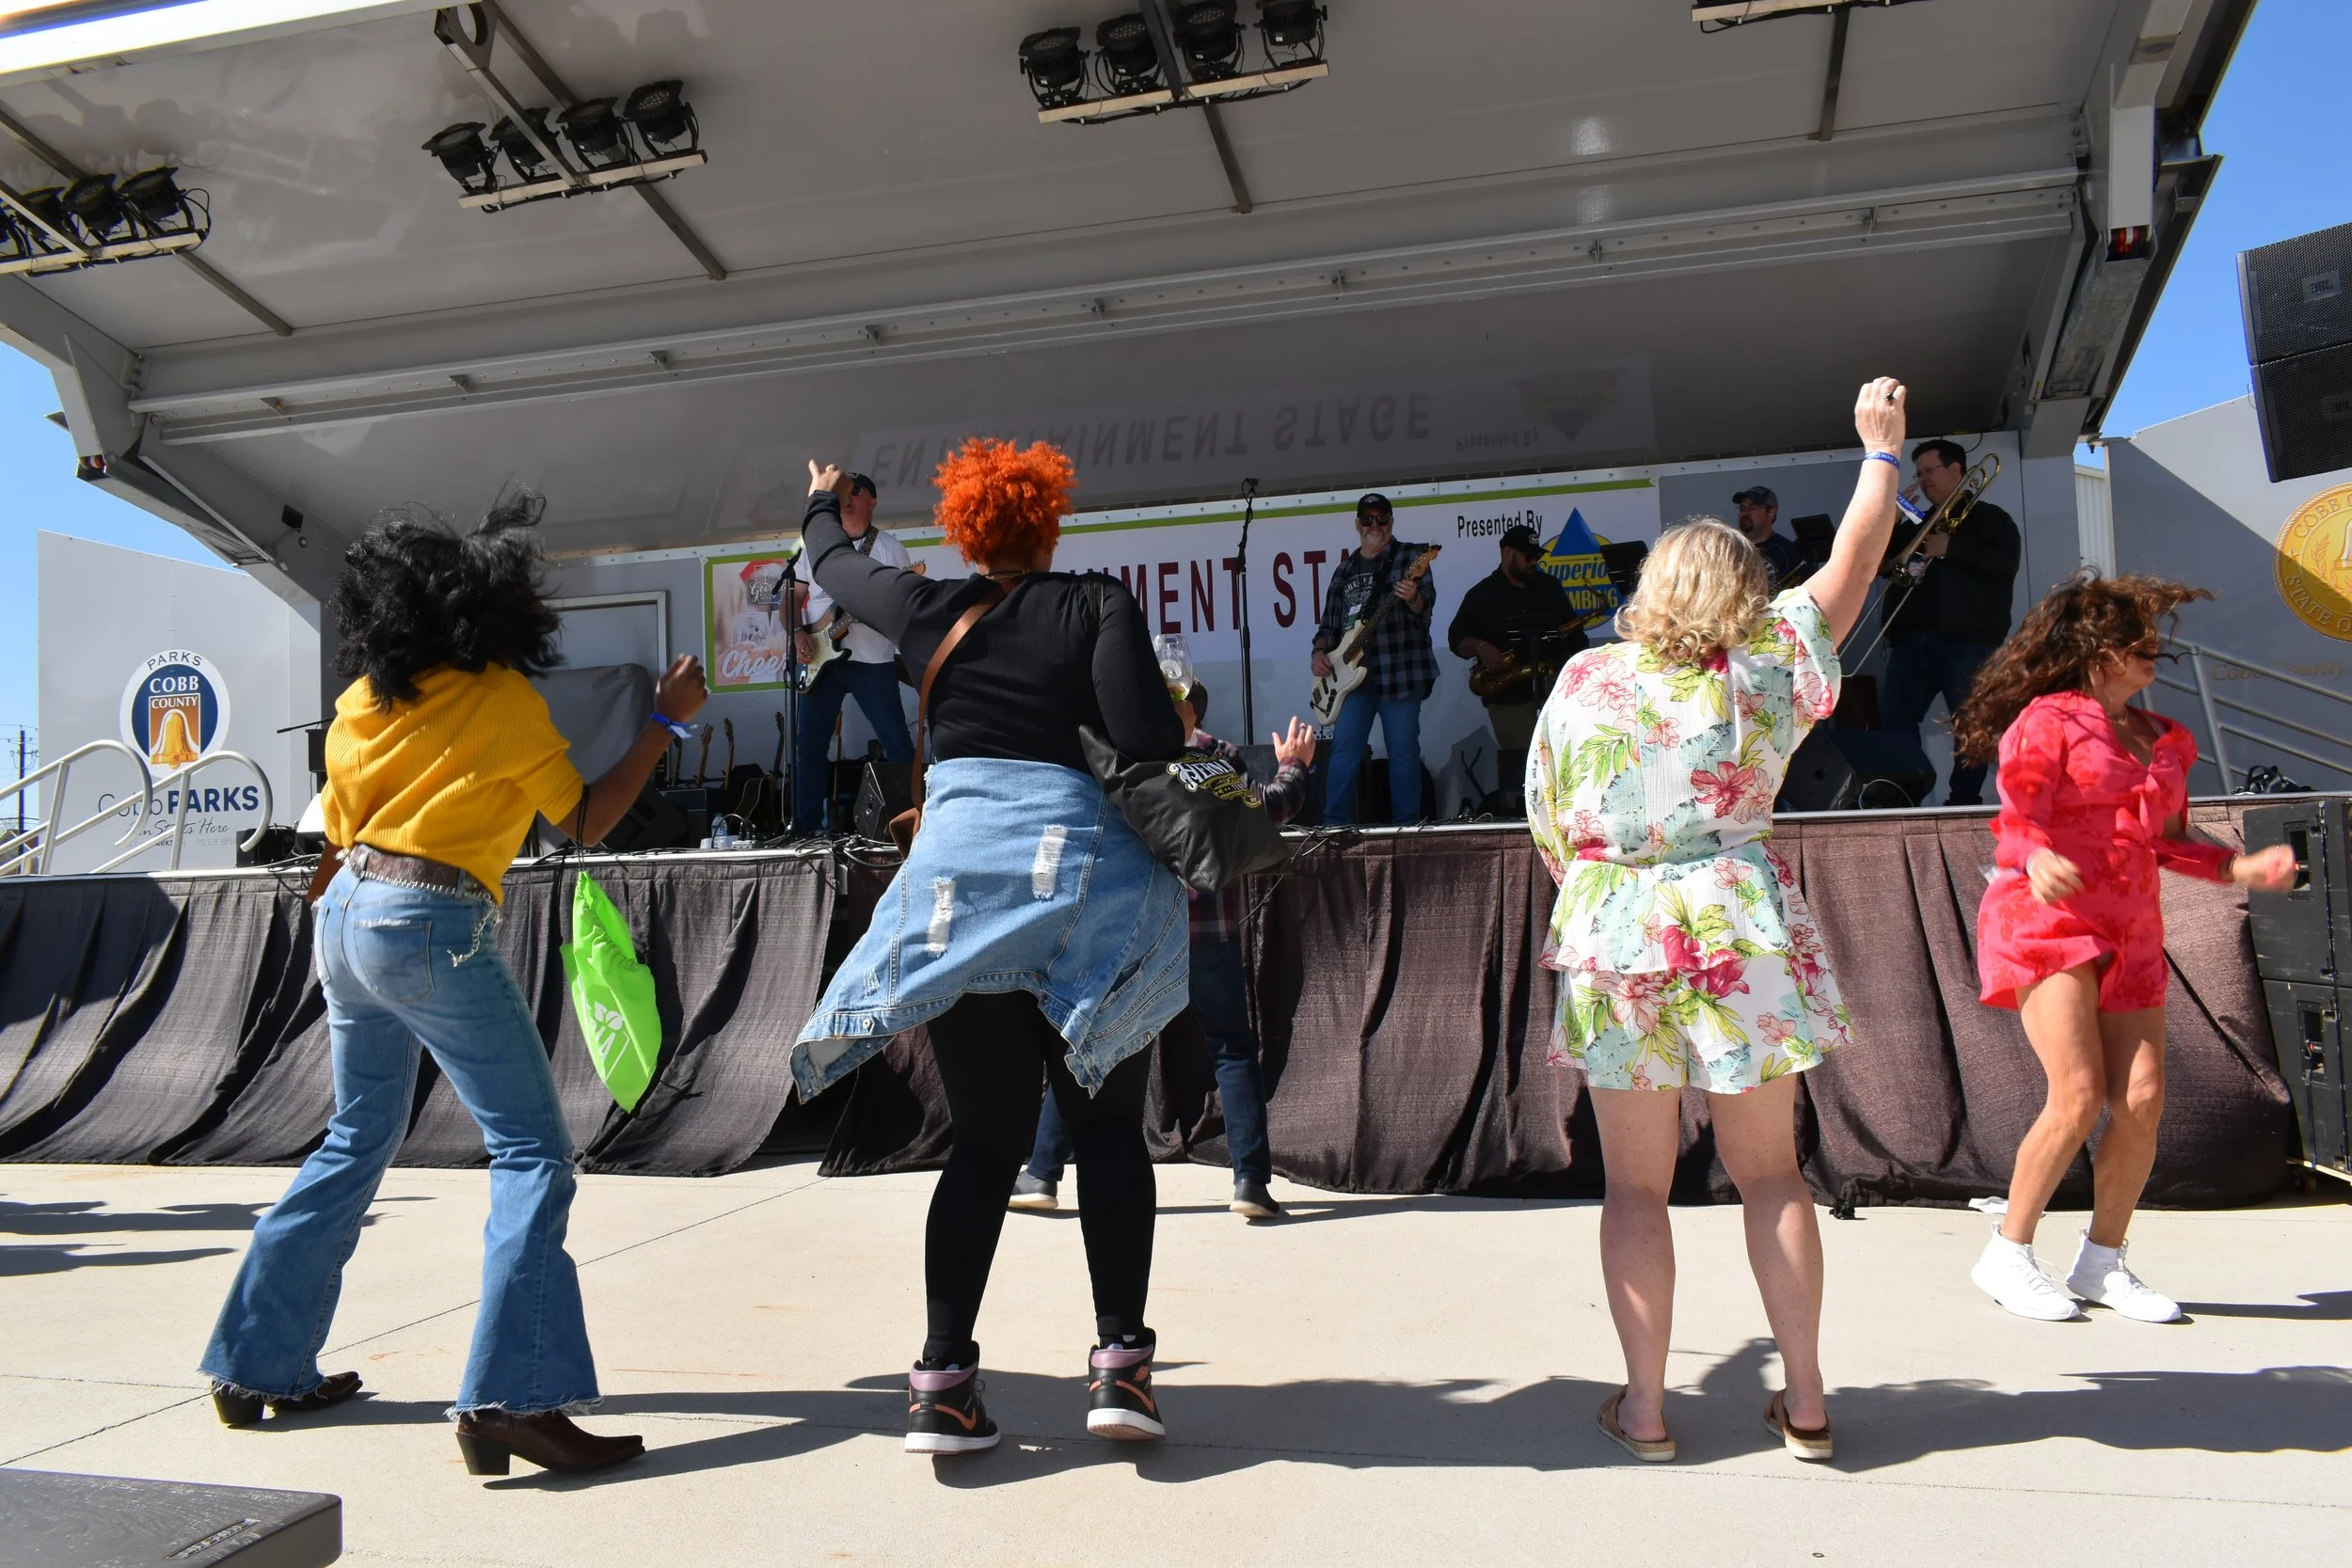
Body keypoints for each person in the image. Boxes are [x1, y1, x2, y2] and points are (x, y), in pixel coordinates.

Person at [200, 497, 706, 1477]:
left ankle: (254, 1358)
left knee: (356, 1134)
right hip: (427, 920)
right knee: (532, 1150)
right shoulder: (501, 699)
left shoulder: (361, 702)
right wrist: (663, 720)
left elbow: (338, 837)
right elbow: (588, 819)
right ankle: (512, 1396)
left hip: (344, 913)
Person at [1527, 377, 1913, 1466]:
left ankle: (1645, 1408)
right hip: (1736, 920)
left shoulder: (1586, 675)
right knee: (1773, 1175)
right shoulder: (1772, 659)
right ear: (1747, 588)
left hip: (1616, 930)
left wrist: (1605, 885)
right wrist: (1879, 452)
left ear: (1651, 586)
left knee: (1634, 1186)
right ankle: (1804, 1401)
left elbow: (1548, 817)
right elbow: (1854, 562)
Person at [789, 439, 1190, 1455]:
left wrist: (821, 504)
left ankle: (940, 1384)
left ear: (966, 530)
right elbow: (1148, 738)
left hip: (961, 893)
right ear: (1048, 525)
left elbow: (833, 569)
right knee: (1106, 1137)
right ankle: (1121, 1375)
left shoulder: (927, 606)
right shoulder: (1095, 602)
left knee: (982, 1142)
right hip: (1080, 890)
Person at [1952, 574, 2295, 1323]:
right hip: (2046, 920)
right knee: (2075, 1095)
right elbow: (2019, 814)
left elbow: (2169, 841)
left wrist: (2236, 867)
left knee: (2140, 1099)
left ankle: (2102, 1262)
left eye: (2154, 648)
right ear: (2096, 652)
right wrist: (2035, 855)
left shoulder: (2166, 737)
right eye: (2140, 648)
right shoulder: (2046, 721)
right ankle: (2008, 1253)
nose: (2153, 658)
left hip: (2133, 929)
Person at [1014, 690, 1315, 1222]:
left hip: (1138, 928)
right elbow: (1273, 807)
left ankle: (1042, 1172)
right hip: (1204, 928)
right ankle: (1250, 1181)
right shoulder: (1215, 760)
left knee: (1089, 1044)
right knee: (1230, 1047)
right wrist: (1292, 765)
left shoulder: (1127, 758)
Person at [1878, 438, 2021, 805]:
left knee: (1971, 725)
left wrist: (1952, 549)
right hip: (1912, 640)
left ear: (1956, 470)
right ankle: (1902, 794)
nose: (1923, 479)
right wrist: (1892, 521)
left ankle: (1964, 799)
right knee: (1894, 723)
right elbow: (1885, 567)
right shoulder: (1918, 522)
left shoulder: (1992, 518)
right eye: (1919, 473)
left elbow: (2004, 566)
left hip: (1968, 639)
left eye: (1929, 471)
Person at [792, 472, 915, 833]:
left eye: (855, 491)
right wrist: (797, 631)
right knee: (809, 747)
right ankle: (806, 830)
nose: (848, 497)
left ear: (872, 501)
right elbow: (793, 596)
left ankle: (909, 823)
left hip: (872, 662)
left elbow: (901, 603)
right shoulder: (814, 541)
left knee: (897, 743)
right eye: (844, 491)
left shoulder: (890, 549)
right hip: (820, 659)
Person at [1311, 493, 1437, 824]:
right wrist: (1319, 652)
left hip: (1400, 671)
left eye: (1382, 518)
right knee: (1343, 751)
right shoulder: (1345, 568)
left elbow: (1426, 604)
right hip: (1351, 678)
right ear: (1357, 524)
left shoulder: (1410, 556)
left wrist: (1413, 599)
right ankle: (1333, 826)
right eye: (1367, 519)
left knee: (1403, 755)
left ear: (1392, 521)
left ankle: (1407, 827)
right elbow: (1329, 624)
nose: (1374, 525)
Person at [1448, 522, 1585, 764]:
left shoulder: (1550, 587)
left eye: (1537, 557)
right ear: (1507, 553)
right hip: (1509, 700)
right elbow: (1457, 639)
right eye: (1528, 557)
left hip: (1555, 695)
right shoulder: (1482, 594)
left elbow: (1575, 636)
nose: (1534, 563)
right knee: (1523, 770)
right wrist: (1481, 646)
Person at [1732, 485, 1804, 585]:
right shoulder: (1730, 549)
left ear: (1771, 512)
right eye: (1742, 508)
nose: (1745, 513)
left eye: (1752, 508)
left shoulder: (1788, 551)